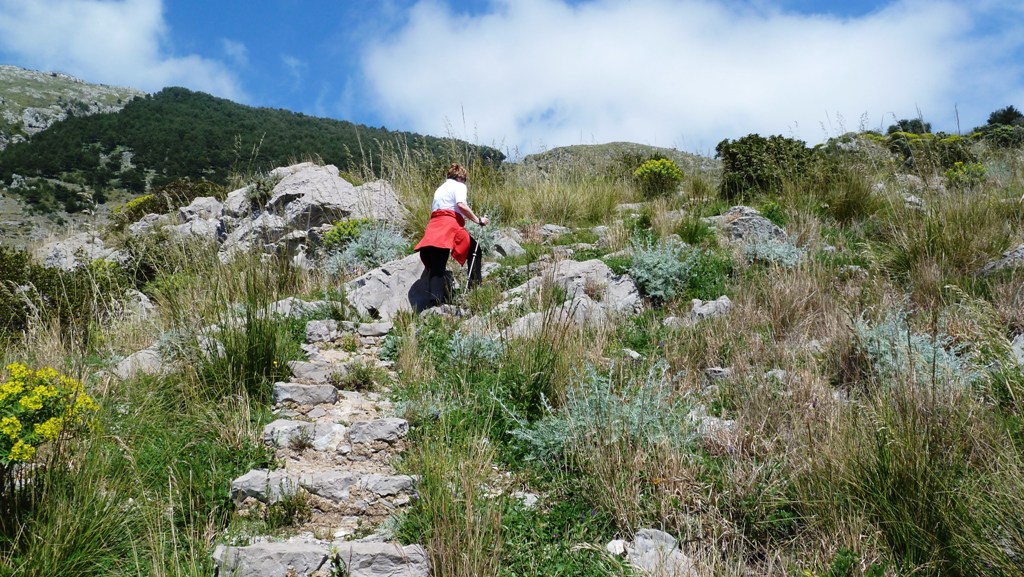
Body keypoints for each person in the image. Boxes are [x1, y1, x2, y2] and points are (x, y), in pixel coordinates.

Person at [413, 163, 489, 306]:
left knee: (438, 264)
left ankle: (434, 304)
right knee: (475, 250)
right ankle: (475, 288)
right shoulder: (459, 186)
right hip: (449, 225)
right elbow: (461, 205)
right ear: (461, 177)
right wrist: (478, 220)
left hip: (434, 225)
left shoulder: (440, 189)